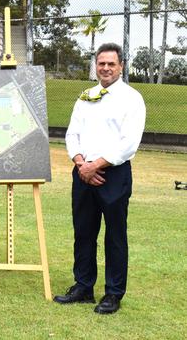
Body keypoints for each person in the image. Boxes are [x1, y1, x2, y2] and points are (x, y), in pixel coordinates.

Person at [54, 43, 145, 314]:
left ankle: (113, 293)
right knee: (83, 232)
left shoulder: (131, 98)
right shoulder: (85, 95)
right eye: (101, 63)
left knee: (115, 235)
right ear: (96, 65)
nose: (105, 68)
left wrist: (97, 165)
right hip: (82, 171)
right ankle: (83, 286)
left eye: (111, 64)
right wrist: (82, 163)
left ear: (121, 66)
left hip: (113, 173)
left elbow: (129, 142)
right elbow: (72, 134)